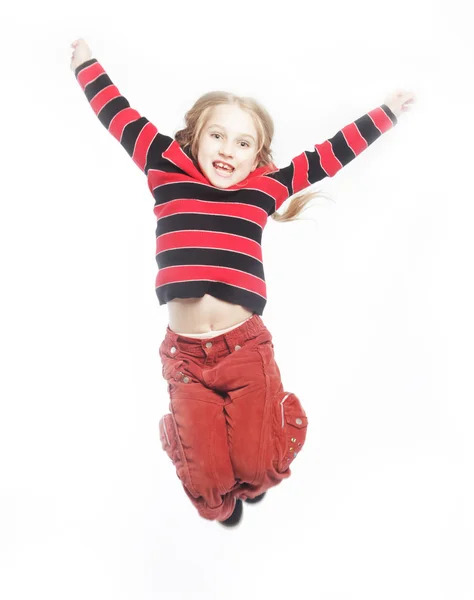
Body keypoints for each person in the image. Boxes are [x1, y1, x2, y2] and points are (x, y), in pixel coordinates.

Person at [70, 38, 416, 527]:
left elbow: (329, 156)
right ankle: (186, 441)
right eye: (217, 136)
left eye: (243, 142)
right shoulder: (163, 164)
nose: (228, 150)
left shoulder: (264, 186)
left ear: (258, 155)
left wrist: (387, 113)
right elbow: (116, 112)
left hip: (245, 350)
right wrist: (85, 62)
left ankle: (275, 424)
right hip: (186, 358)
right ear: (194, 137)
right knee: (212, 500)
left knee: (260, 472)